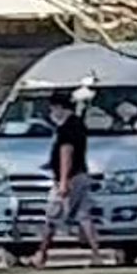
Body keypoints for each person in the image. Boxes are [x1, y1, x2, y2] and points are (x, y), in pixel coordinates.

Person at [44, 71, 91, 245]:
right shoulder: (79, 124)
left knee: (52, 215)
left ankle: (41, 253)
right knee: (84, 216)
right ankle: (96, 253)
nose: (52, 113)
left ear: (60, 108)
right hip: (82, 174)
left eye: (53, 109)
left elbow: (66, 153)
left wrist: (63, 181)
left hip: (70, 178)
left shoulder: (66, 129)